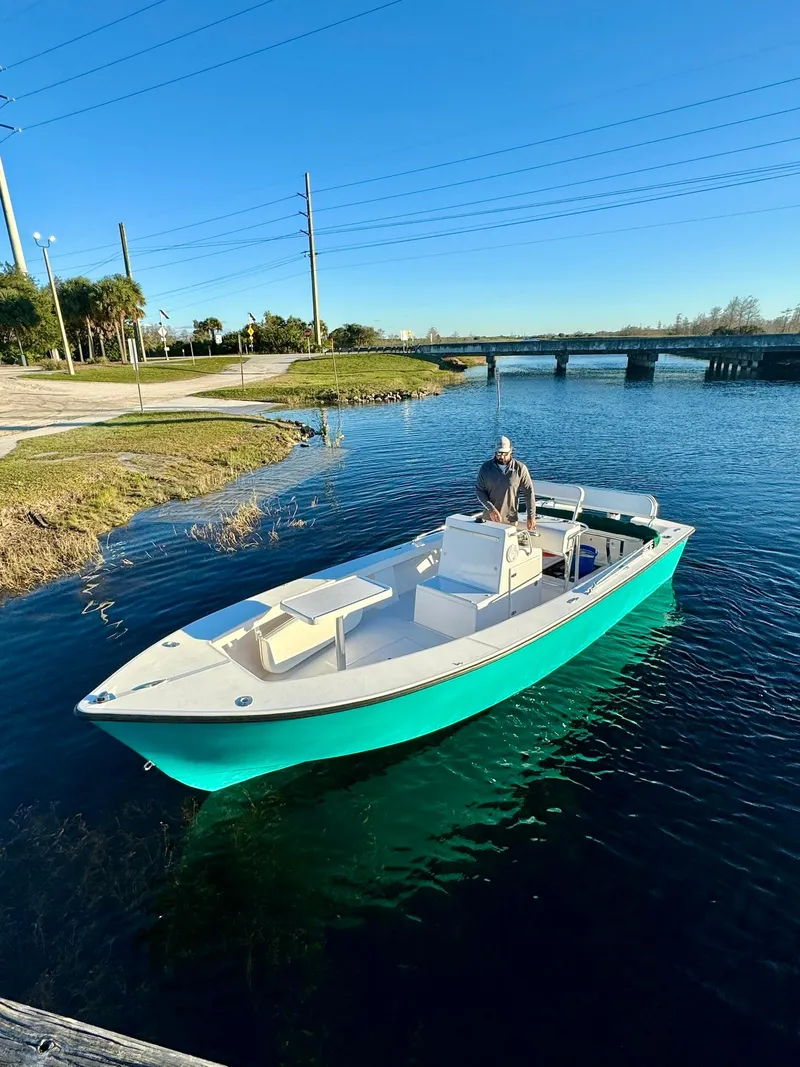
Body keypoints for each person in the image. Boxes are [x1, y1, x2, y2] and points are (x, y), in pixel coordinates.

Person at [475, 435, 536, 530]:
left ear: (511, 451)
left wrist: (531, 516)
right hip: (489, 519)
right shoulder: (485, 468)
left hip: (510, 520)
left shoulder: (520, 468)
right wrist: (491, 509)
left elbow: (529, 493)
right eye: (499, 453)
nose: (502, 456)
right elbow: (479, 490)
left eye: (505, 453)